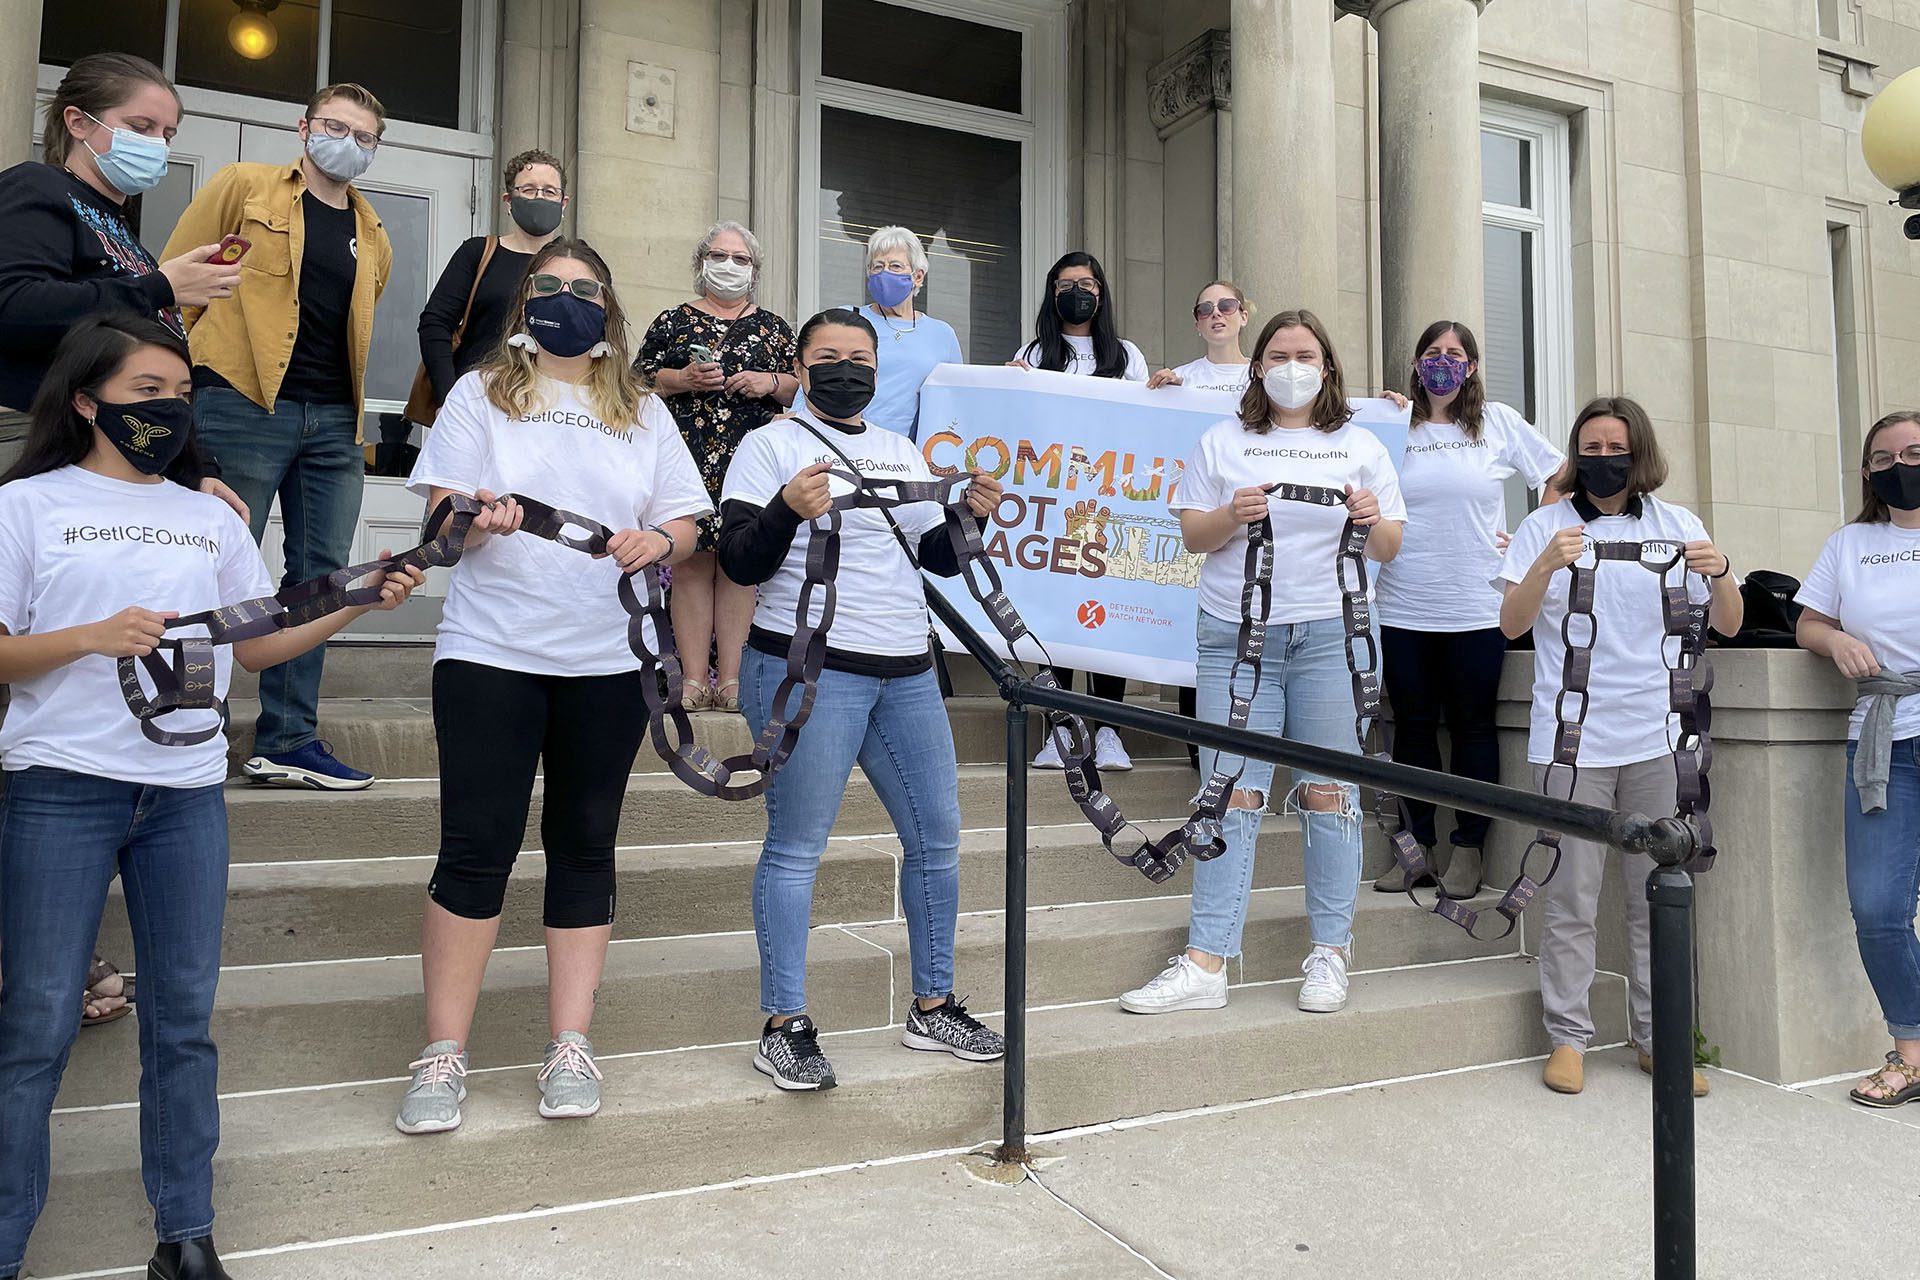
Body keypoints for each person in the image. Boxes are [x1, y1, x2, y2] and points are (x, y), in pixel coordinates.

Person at [0, 314, 420, 1280]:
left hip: (185, 795)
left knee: (183, 1023)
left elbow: (255, 641)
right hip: (62, 787)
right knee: (32, 1025)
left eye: (179, 393)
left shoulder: (211, 516)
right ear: (84, 399)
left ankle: (184, 1235)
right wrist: (87, 637)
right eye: (146, 391)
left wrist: (355, 600)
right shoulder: (28, 504)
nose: (168, 409)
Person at [395, 240, 707, 1134]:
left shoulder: (644, 409)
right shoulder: (479, 393)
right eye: (550, 288)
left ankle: (570, 1042)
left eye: (584, 289)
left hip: (607, 661)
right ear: (525, 300)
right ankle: (444, 1052)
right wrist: (474, 520)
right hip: (492, 651)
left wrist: (665, 543)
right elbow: (442, 517)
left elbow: (684, 520)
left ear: (607, 307)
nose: (566, 300)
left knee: (583, 844)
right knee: (477, 845)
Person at [0, 50, 250, 1032]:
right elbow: (14, 306)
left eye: (169, 131)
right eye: (144, 124)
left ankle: (57, 939)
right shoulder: (35, 191)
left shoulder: (117, 229)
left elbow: (154, 375)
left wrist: (200, 464)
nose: (157, 143)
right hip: (37, 456)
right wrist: (158, 283)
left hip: (122, 473)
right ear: (79, 119)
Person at [717, 307, 1006, 1090]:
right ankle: (784, 1023)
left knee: (937, 837)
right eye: (829, 356)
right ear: (801, 367)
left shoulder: (897, 448)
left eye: (860, 357)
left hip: (906, 670)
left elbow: (937, 556)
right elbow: (740, 561)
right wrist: (786, 509)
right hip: (808, 670)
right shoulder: (770, 444)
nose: (847, 369)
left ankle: (933, 1003)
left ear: (878, 370)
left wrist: (967, 516)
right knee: (797, 846)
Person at [1120, 308, 1405, 1019]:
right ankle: (1207, 960)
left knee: (1328, 793)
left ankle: (1331, 953)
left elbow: (1391, 547)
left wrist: (1370, 521)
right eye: (1278, 353)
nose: (1291, 365)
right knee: (1229, 792)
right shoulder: (1223, 439)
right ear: (1257, 365)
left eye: (1305, 352)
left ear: (1328, 366)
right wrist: (1232, 516)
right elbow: (1193, 534)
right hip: (1237, 637)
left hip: (1331, 639)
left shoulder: (1361, 445)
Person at [1498, 395, 1739, 1098]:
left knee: (1656, 895)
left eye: (1617, 448)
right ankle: (1567, 1037)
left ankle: (1657, 1038)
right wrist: (1545, 563)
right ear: (1576, 455)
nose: (1604, 460)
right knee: (1571, 895)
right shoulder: (1543, 523)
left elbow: (1728, 621)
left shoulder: (1678, 524)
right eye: (1592, 449)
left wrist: (1721, 569)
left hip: (1658, 738)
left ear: (1641, 453)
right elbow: (1512, 625)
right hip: (1572, 740)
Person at [161, 83, 395, 791]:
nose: (345, 142)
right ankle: (173, 720)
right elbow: (172, 287)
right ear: (304, 127)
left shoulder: (374, 233)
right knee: (209, 558)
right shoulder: (244, 186)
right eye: (334, 126)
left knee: (320, 576)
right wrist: (174, 391)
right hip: (239, 401)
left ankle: (287, 739)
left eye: (363, 135)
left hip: (332, 421)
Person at [1371, 320, 1566, 898]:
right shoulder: (1391, 425)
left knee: (1473, 728)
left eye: (1455, 354)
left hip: (1478, 605)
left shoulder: (1497, 422)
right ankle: (1415, 848)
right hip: (1403, 604)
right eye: (1432, 353)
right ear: (1414, 363)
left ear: (1472, 367)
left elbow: (1559, 475)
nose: (1443, 363)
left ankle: (1468, 851)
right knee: (1411, 728)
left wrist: (1532, 535)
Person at [1795, 409, 1920, 1109]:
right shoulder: (1850, 543)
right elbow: (1809, 619)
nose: (1899, 465)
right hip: (1884, 738)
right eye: (1883, 458)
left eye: (1914, 452)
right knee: (1877, 907)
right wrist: (1832, 641)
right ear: (1869, 472)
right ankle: (1912, 1052)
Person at [636, 221, 797, 714]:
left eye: (740, 258)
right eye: (719, 255)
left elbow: (801, 387)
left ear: (755, 269)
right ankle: (690, 679)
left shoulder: (773, 327)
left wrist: (768, 382)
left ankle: (730, 680)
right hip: (686, 453)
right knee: (688, 567)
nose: (729, 265)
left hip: (750, 460)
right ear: (701, 262)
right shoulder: (673, 320)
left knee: (739, 569)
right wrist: (682, 378)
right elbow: (638, 378)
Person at [1011, 250, 1146, 770]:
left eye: (1087, 283)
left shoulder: (1126, 354)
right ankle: (1061, 730)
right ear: (1052, 292)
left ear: (1101, 292)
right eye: (1067, 283)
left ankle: (1110, 730)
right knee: (1059, 616)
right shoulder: (1033, 351)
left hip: (1108, 502)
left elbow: (1140, 428)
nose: (1077, 292)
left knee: (1105, 615)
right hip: (1056, 504)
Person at [414, 149, 568, 414]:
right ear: (509, 200)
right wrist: (448, 397)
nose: (539, 197)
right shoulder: (479, 252)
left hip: (551, 408)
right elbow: (435, 324)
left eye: (549, 191)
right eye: (529, 190)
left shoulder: (577, 265)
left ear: (563, 203)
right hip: (477, 402)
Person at [856, 224, 963, 437]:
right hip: (851, 444)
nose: (884, 273)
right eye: (877, 266)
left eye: (895, 266)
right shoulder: (849, 320)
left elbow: (957, 398)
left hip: (913, 454)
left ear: (918, 276)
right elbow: (812, 380)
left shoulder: (942, 334)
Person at [1147, 280, 1252, 392]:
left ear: (1244, 317)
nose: (1216, 313)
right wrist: (1170, 395)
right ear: (1198, 325)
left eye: (1226, 306)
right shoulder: (1180, 378)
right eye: (1205, 309)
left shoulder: (1262, 376)